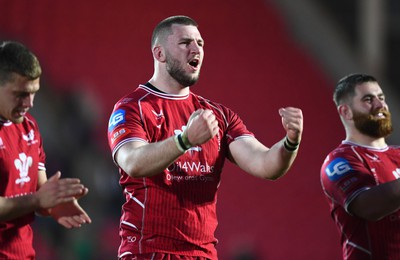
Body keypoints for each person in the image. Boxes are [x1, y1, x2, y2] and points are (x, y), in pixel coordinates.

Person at [107, 15, 303, 260]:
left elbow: (266, 165)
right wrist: (184, 141)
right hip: (149, 251)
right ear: (159, 54)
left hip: (203, 254)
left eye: (200, 44)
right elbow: (133, 162)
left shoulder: (218, 115)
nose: (196, 48)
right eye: (185, 42)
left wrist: (290, 142)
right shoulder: (132, 107)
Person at [0, 41, 92, 259]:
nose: (29, 103)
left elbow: (38, 190)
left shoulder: (29, 127)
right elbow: (35, 199)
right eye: (20, 94)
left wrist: (55, 203)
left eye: (34, 93)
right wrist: (38, 201)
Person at [320, 73, 400, 259]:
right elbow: (370, 207)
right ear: (346, 112)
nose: (380, 105)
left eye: (381, 98)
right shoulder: (339, 161)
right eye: (368, 99)